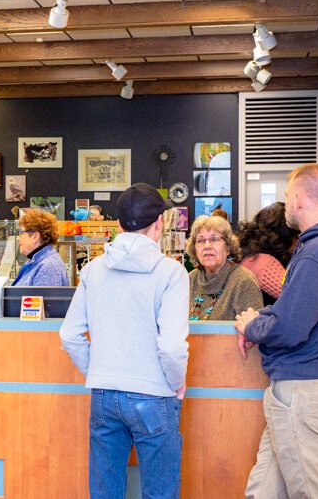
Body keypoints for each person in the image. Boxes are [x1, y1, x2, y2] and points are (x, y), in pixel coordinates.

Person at [235, 164, 318, 499]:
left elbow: (290, 327)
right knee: (263, 491)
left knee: (312, 494)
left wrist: (252, 325)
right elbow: (297, 310)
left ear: (297, 198)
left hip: (302, 391)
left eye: (287, 195)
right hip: (317, 387)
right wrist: (264, 317)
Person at [60, 183, 189, 499]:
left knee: (105, 492)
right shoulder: (171, 272)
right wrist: (176, 382)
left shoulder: (92, 270)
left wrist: (99, 370)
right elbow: (171, 347)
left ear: (118, 225)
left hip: (104, 394)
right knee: (160, 492)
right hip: (155, 393)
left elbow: (69, 335)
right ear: (159, 223)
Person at [186, 215, 263, 320]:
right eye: (200, 241)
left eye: (214, 239)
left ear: (228, 247)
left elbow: (253, 331)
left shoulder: (244, 281)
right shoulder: (190, 279)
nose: (207, 246)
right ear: (194, 249)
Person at [237, 202, 300, 305]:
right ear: (285, 235)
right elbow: (297, 297)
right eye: (296, 236)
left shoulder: (251, 254)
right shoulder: (262, 264)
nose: (298, 241)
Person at [11, 209, 68, 286]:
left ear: (35, 236)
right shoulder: (39, 260)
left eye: (21, 233)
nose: (18, 238)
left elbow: (44, 297)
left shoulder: (49, 267)